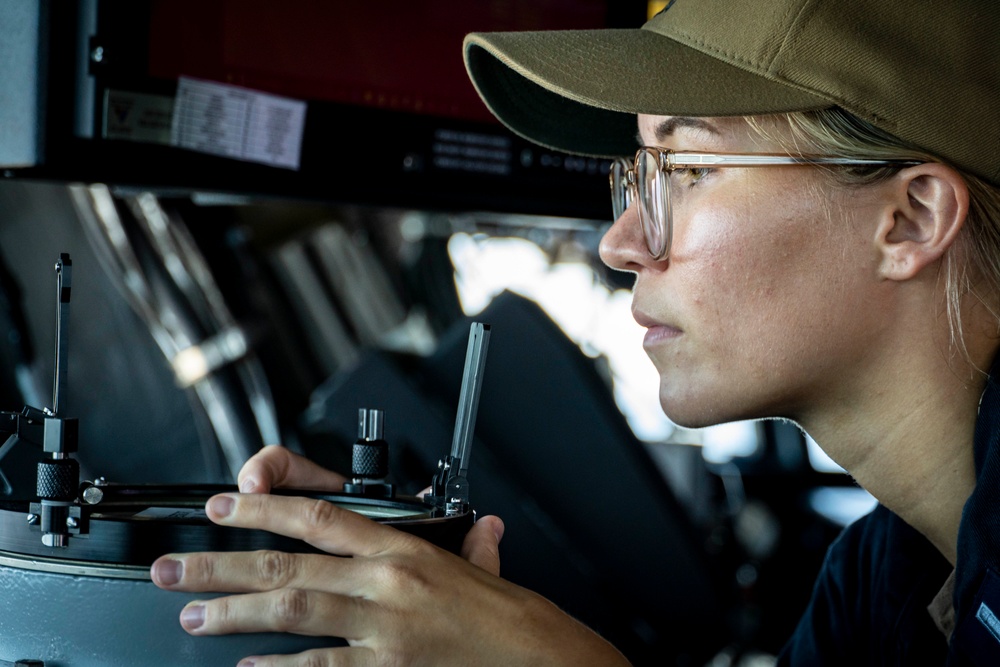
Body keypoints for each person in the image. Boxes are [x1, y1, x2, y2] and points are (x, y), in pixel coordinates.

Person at [151, 1, 1000, 664]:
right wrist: (461, 607)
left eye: (688, 170)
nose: (621, 242)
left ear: (909, 219)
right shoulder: (888, 578)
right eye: (634, 175)